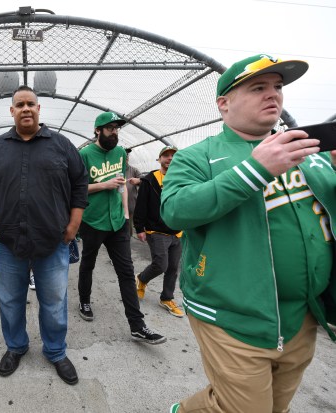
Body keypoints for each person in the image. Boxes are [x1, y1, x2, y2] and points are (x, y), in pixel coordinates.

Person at [161, 54, 336, 413]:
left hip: (303, 315)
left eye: (277, 87)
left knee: (276, 405)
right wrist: (256, 169)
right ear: (224, 104)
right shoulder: (199, 156)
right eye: (258, 88)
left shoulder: (309, 153)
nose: (272, 94)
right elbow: (175, 211)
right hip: (231, 315)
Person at [0, 85, 89, 385]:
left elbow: (79, 184)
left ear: (39, 109)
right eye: (20, 104)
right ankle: (16, 346)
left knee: (54, 301)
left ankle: (55, 351)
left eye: (31, 104)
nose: (26, 108)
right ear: (11, 111)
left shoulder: (62, 145)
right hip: (5, 242)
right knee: (10, 300)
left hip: (52, 242)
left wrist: (74, 224)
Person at [77, 111, 166, 345]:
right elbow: (76, 189)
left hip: (117, 221)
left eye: (117, 128)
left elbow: (123, 185)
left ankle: (137, 326)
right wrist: (104, 184)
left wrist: (126, 214)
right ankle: (84, 300)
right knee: (88, 263)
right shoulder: (84, 155)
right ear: (98, 131)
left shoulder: (119, 153)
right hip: (93, 221)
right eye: (110, 128)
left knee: (126, 272)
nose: (114, 132)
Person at [133, 146, 183, 318]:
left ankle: (167, 298)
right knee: (161, 264)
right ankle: (142, 279)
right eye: (166, 156)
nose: (170, 159)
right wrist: (139, 228)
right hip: (157, 230)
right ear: (159, 159)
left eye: (173, 156)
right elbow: (141, 205)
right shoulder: (150, 179)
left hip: (177, 231)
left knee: (173, 268)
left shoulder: (181, 178)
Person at [124, 148, 141, 236]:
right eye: (124, 155)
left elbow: (144, 181)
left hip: (131, 206)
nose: (126, 157)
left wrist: (138, 180)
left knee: (128, 228)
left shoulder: (134, 170)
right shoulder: (115, 170)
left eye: (127, 155)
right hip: (117, 206)